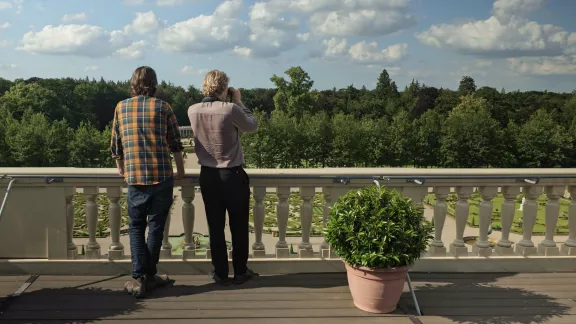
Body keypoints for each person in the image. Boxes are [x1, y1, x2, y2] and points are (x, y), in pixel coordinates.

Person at [110, 66, 185, 298]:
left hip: (134, 176)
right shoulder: (163, 107)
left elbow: (116, 143)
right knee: (155, 226)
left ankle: (138, 276)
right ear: (154, 83)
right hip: (162, 175)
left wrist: (121, 167)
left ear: (132, 83)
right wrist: (180, 170)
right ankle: (148, 276)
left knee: (135, 226)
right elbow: (175, 142)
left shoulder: (121, 107)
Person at [188, 70, 258, 285]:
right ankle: (240, 271)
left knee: (215, 227)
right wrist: (239, 101)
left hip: (208, 176)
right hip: (232, 175)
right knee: (238, 226)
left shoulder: (192, 110)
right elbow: (252, 126)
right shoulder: (231, 109)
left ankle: (219, 272)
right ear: (224, 88)